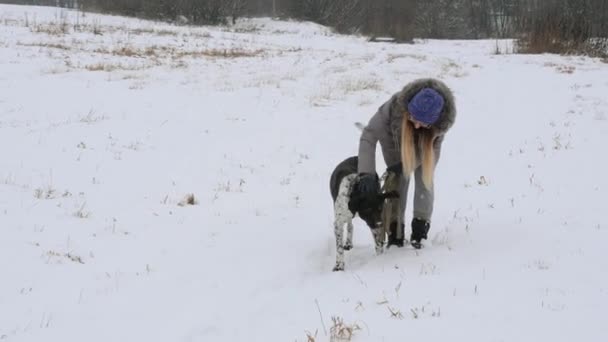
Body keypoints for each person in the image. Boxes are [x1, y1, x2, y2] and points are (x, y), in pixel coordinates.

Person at [356, 78, 456, 249]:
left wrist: (409, 164)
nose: (416, 125)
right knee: (397, 181)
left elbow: (427, 153)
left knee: (425, 178)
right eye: (413, 118)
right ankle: (395, 231)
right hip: (395, 140)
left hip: (427, 146)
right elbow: (368, 136)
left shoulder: (439, 124)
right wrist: (366, 174)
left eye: (423, 123)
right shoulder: (391, 110)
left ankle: (420, 227)